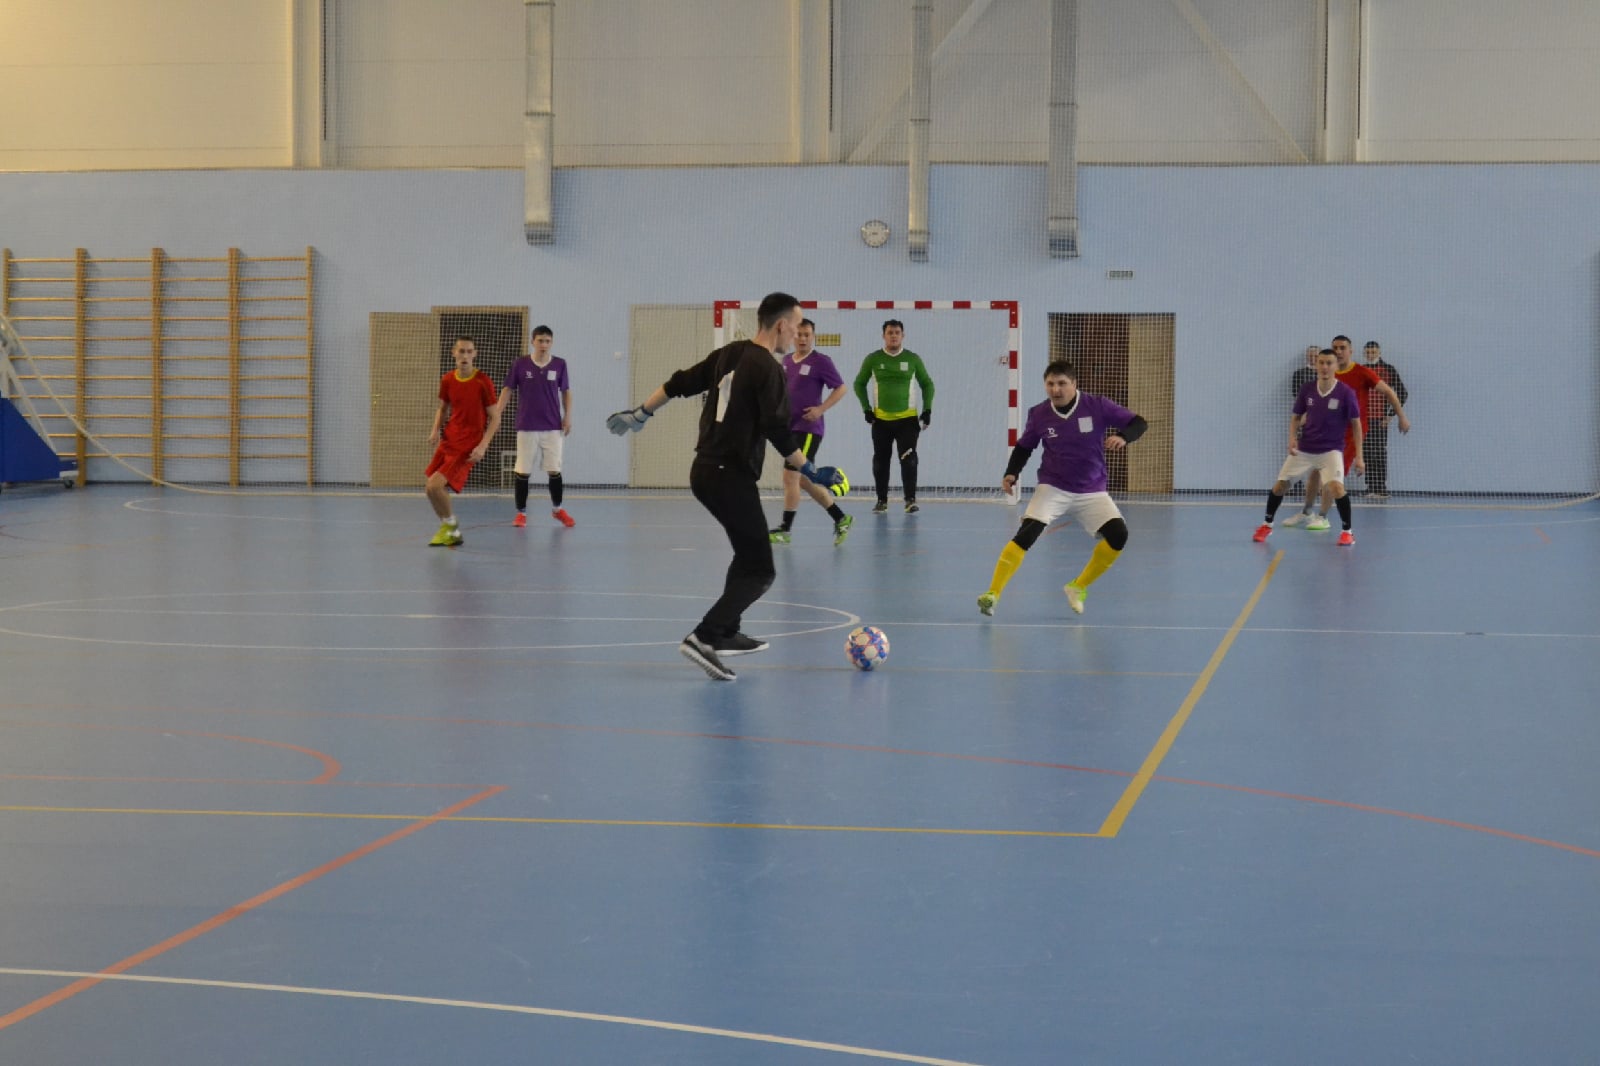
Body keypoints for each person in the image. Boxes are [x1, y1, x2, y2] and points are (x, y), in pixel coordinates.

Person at [606, 292, 843, 682]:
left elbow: (680, 383)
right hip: (729, 475)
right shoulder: (769, 368)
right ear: (782, 325)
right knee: (761, 570)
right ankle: (705, 636)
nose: (797, 334)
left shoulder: (729, 354)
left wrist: (641, 412)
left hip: (705, 471)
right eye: (796, 326)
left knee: (746, 555)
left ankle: (727, 632)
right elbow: (778, 432)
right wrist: (811, 471)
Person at [976, 361, 1147, 618]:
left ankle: (1078, 586)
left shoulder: (1097, 405)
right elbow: (1025, 446)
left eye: (1062, 383)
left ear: (1074, 384)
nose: (1056, 389)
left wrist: (1124, 436)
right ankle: (993, 594)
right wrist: (1011, 472)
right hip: (1053, 486)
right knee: (1027, 533)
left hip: (1091, 489)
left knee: (1118, 536)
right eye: (1050, 384)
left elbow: (1139, 422)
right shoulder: (1039, 414)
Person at [1285, 336, 1410, 527]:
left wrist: (1401, 416)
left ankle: (1322, 517)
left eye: (1342, 348)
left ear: (1350, 351)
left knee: (1331, 477)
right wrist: (1304, 419)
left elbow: (1389, 392)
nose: (1338, 351)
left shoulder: (1362, 372)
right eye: (1335, 347)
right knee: (1314, 474)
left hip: (1350, 434)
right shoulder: (1328, 374)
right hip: (1326, 431)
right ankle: (1306, 513)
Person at [1253, 348, 1363, 546]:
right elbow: (1296, 417)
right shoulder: (1307, 389)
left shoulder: (1346, 392)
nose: (1324, 367)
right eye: (1321, 362)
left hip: (1330, 450)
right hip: (1305, 448)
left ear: (1336, 366)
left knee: (1336, 487)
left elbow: (1356, 424)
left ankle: (1347, 532)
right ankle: (1266, 525)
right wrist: (1292, 438)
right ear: (1316, 365)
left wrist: (1360, 457)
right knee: (1280, 486)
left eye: (1329, 363)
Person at [769, 318, 853, 546]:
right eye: (799, 334)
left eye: (807, 334)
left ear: (813, 336)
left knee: (790, 477)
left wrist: (820, 409)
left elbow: (841, 388)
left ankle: (785, 530)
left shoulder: (821, 361)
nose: (803, 339)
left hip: (807, 429)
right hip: (789, 427)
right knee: (803, 481)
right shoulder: (786, 361)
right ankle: (841, 518)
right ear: (793, 336)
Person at [425, 335, 501, 546]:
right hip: (449, 440)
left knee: (435, 486)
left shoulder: (483, 381)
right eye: (461, 351)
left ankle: (451, 526)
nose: (465, 356)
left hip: (467, 445)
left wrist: (483, 445)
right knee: (430, 489)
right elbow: (443, 408)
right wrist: (435, 430)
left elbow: (495, 417)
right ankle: (450, 529)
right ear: (454, 353)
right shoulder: (447, 379)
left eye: (469, 352)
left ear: (475, 354)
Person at [496, 324, 574, 527]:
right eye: (540, 341)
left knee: (554, 470)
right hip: (527, 426)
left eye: (547, 341)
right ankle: (521, 513)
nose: (544, 345)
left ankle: (557, 510)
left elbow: (566, 392)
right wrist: (497, 414)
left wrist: (567, 417)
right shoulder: (520, 364)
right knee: (523, 470)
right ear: (532, 342)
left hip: (552, 427)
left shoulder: (560, 364)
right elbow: (507, 389)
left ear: (552, 343)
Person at [854, 319, 934, 514]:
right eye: (890, 332)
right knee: (880, 461)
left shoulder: (913, 359)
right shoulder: (873, 359)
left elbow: (927, 384)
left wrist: (927, 410)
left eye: (897, 332)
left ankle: (910, 500)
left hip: (908, 421)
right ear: (884, 336)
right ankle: (881, 501)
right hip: (881, 421)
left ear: (902, 336)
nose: (893, 336)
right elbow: (859, 383)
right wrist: (866, 409)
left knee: (909, 460)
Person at [1360, 340, 1409, 498]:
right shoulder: (1360, 370)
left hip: (1380, 420)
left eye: (1373, 352)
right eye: (1368, 352)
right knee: (1366, 451)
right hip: (1363, 420)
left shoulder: (1388, 369)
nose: (1370, 355)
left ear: (1379, 353)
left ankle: (1381, 487)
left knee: (1379, 452)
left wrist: (1390, 415)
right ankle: (1370, 486)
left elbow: (1402, 393)